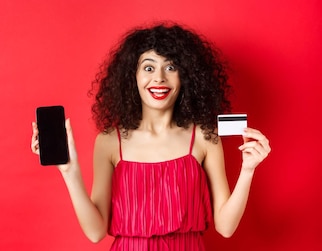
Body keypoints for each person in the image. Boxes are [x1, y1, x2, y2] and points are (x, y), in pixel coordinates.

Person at [30, 23, 271, 250]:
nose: (159, 78)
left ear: (185, 77)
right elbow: (95, 233)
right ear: (132, 77)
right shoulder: (109, 141)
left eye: (171, 67)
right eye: (148, 67)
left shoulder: (204, 138)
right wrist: (69, 171)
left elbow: (226, 227)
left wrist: (248, 170)